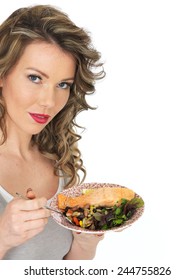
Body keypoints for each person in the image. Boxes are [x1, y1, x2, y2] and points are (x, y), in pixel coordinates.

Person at [0, 4, 105, 260]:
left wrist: (85, 245)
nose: (49, 101)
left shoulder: (59, 161)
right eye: (35, 78)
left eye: (62, 84)